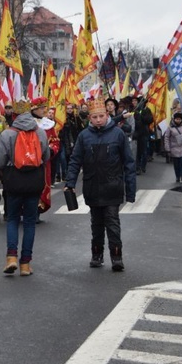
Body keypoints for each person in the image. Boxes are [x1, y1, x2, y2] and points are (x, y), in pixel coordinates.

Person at [64, 97, 136, 272]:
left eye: (101, 116)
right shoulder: (84, 136)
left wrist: (131, 190)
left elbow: (128, 163)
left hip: (113, 186)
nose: (98, 120)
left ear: (107, 115)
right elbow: (75, 161)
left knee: (112, 222)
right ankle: (96, 255)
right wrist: (70, 183)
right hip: (92, 187)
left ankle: (116, 256)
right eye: (94, 117)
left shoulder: (117, 134)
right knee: (96, 224)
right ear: (90, 118)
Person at [0, 98, 50, 276]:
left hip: (14, 181)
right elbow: (46, 156)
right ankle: (25, 264)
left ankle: (11, 257)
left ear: (15, 115)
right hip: (34, 181)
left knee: (12, 219)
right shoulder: (40, 132)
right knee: (30, 223)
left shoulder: (7, 134)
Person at [30, 97, 60, 215]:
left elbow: (56, 141)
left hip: (44, 161)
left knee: (42, 184)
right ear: (34, 109)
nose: (44, 110)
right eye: (41, 108)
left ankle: (38, 208)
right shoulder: (27, 123)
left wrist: (51, 150)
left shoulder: (48, 124)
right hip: (29, 160)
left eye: (44, 108)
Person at [163, 111, 182, 183]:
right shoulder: (170, 127)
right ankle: (177, 176)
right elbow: (166, 138)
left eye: (179, 119)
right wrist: (167, 148)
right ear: (174, 119)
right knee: (176, 164)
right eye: (176, 119)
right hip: (174, 148)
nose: (178, 120)